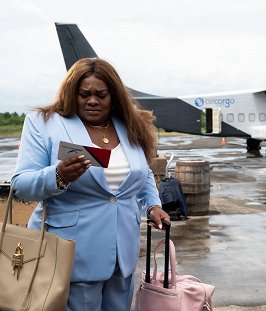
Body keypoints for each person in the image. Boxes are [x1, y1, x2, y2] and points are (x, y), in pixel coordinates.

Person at [12, 58, 170, 311]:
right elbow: (21, 185)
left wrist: (152, 204)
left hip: (123, 253)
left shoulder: (130, 125)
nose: (92, 101)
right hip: (72, 254)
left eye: (101, 95)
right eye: (84, 94)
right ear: (71, 93)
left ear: (114, 96)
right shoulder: (44, 124)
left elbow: (142, 172)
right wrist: (58, 176)